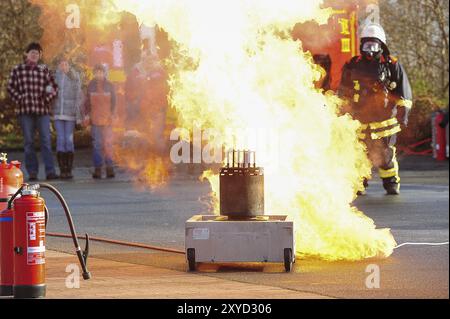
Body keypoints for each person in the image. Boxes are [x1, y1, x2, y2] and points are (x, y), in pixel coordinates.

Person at [339, 23, 413, 195]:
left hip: (385, 122)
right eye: (366, 45)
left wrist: (404, 115)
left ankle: (391, 184)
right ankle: (359, 185)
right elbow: (343, 91)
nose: (369, 50)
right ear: (361, 45)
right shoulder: (353, 65)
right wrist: (342, 111)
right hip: (359, 121)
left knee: (385, 156)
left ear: (381, 46)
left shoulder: (391, 65)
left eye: (374, 45)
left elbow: (404, 92)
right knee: (359, 154)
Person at [7, 42, 59, 181]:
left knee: (46, 142)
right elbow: (10, 87)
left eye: (37, 53)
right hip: (25, 111)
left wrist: (46, 98)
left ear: (39, 56)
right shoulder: (18, 69)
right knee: (29, 142)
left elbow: (54, 88)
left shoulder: (44, 70)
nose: (35, 55)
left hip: (42, 111)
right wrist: (20, 98)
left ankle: (50, 171)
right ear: (27, 54)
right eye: (32, 52)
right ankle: (33, 172)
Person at [52, 56, 83, 179]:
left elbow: (78, 96)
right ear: (59, 65)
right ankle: (62, 169)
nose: (63, 66)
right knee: (60, 139)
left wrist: (78, 115)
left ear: (69, 66)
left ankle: (69, 169)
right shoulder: (55, 77)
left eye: (66, 64)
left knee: (68, 140)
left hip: (70, 114)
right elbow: (50, 93)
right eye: (61, 64)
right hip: (58, 114)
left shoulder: (74, 77)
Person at [84, 64, 116, 179]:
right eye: (97, 72)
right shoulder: (91, 86)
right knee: (97, 145)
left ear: (104, 73)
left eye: (101, 72)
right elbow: (87, 103)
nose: (99, 74)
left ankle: (110, 169)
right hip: (95, 120)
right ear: (94, 73)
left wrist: (112, 115)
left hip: (107, 120)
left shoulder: (110, 86)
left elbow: (114, 102)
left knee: (108, 145)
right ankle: (98, 169)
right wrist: (87, 116)